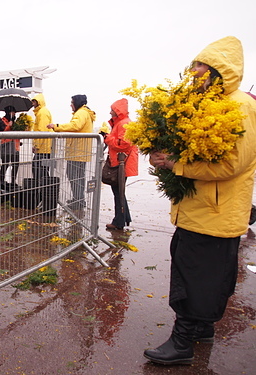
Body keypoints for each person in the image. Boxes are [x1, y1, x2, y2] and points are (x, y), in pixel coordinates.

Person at [145, 36, 256, 365]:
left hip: (214, 212)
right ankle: (202, 328)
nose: (192, 73)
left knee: (196, 276)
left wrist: (173, 163)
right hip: (200, 209)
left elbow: (229, 164)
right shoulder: (205, 105)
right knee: (199, 271)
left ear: (218, 71)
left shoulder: (239, 106)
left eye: (199, 67)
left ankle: (182, 344)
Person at [47, 95, 95, 210]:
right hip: (79, 151)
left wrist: (56, 126)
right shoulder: (84, 112)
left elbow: (75, 126)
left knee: (75, 176)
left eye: (72, 102)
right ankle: (78, 199)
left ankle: (78, 200)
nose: (70, 105)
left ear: (77, 103)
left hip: (77, 152)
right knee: (78, 176)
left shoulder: (81, 113)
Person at [103, 98, 138, 230]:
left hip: (121, 163)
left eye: (112, 110)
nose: (110, 112)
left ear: (117, 111)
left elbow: (122, 144)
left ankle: (119, 221)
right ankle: (124, 218)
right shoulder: (123, 123)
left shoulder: (123, 124)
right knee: (119, 191)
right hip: (122, 162)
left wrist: (107, 137)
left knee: (118, 192)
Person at [31, 93, 54, 183]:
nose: (33, 104)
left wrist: (36, 146)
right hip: (45, 148)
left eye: (34, 101)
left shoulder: (42, 113)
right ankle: (44, 191)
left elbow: (42, 130)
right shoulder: (42, 112)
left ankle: (41, 191)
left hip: (43, 148)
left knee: (38, 170)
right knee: (43, 171)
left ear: (39, 102)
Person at [0, 106, 20, 188]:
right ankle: (2, 181)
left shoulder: (17, 122)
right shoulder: (2, 120)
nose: (13, 113)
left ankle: (13, 181)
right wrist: (8, 126)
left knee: (16, 164)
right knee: (5, 164)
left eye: (14, 112)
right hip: (6, 146)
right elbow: (1, 131)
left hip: (15, 146)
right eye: (12, 112)